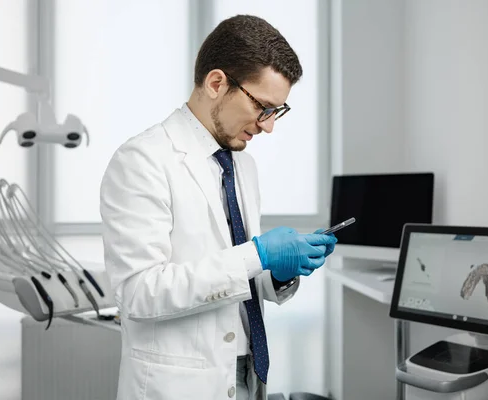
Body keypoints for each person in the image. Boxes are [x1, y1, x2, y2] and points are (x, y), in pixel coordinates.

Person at [100, 14, 338, 400]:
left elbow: (238, 277)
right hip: (180, 385)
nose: (268, 125)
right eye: (263, 107)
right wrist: (256, 254)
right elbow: (138, 293)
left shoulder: (242, 163)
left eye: (277, 111)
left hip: (244, 375)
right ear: (216, 83)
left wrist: (276, 272)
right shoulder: (142, 160)